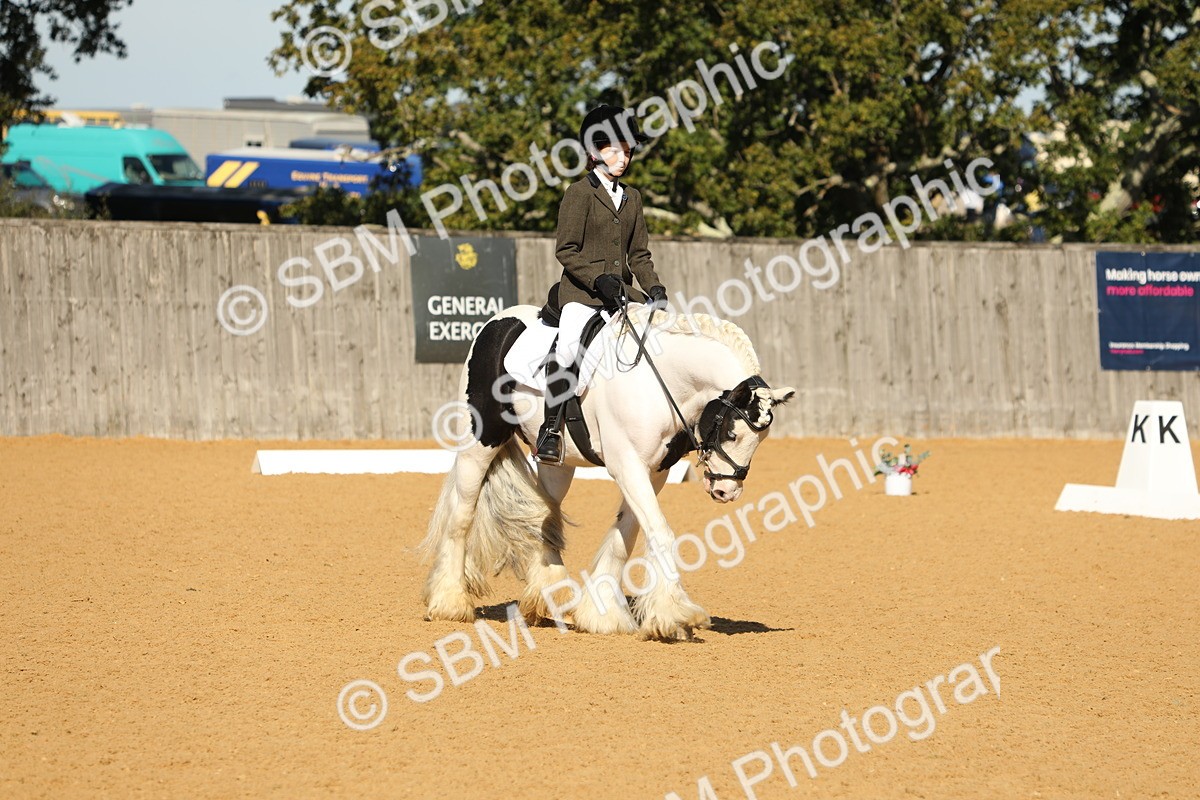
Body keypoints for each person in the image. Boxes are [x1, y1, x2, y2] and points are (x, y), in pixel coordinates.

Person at [532, 104, 669, 465]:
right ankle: (550, 428)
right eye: (614, 150)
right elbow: (566, 249)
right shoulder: (578, 193)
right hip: (581, 293)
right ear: (594, 152)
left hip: (621, 295)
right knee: (570, 343)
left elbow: (639, 255)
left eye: (627, 151)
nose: (622, 158)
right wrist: (598, 279)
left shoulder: (633, 198)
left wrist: (654, 287)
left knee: (659, 339)